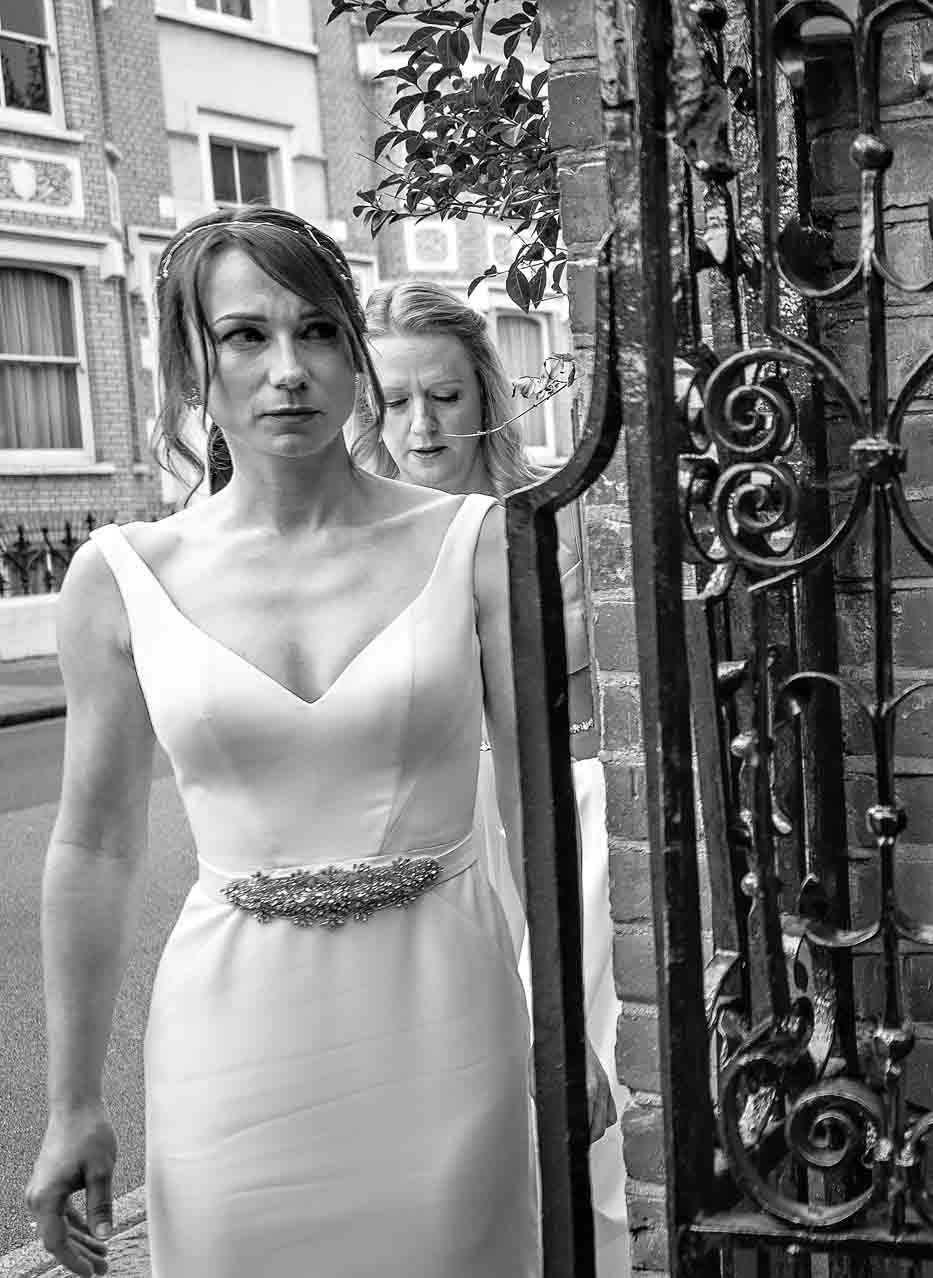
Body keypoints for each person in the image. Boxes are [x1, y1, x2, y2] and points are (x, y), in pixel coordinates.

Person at [20, 208, 596, 1278]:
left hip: (447, 1015)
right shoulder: (119, 575)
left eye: (318, 331)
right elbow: (93, 848)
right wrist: (71, 1105)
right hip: (231, 1038)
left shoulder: (474, 544)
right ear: (191, 362)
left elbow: (530, 797)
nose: (289, 369)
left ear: (351, 353)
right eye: (246, 336)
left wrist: (561, 1024)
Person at [356, 279, 630, 1278]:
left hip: (549, 827)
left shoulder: (547, 523)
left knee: (562, 1102)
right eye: (392, 401)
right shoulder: (348, 544)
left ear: (484, 396)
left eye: (445, 396)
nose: (420, 425)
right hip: (414, 849)